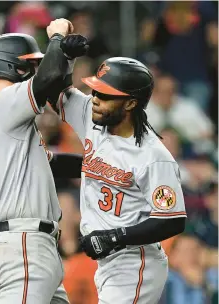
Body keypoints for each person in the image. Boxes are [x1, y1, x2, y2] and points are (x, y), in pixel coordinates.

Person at [0, 19, 88, 304]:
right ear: (13, 66)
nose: (35, 71)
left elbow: (54, 163)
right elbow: (47, 80)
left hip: (28, 243)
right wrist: (56, 38)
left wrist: (102, 166)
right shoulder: (4, 103)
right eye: (30, 65)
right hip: (23, 244)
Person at [50, 56, 187, 303]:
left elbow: (172, 221)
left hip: (134, 262)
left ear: (130, 103)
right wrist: (62, 55)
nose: (95, 99)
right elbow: (50, 89)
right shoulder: (93, 118)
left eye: (105, 95)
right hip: (107, 260)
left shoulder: (154, 156)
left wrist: (114, 237)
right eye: (95, 90)